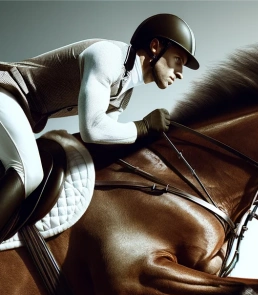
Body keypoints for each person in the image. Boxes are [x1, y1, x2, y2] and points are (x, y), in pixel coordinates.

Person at [0, 13, 199, 241]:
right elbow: (93, 128)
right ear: (155, 46)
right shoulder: (109, 56)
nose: (181, 73)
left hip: (18, 110)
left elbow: (103, 138)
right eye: (178, 61)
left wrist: (150, 139)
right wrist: (143, 126)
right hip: (5, 92)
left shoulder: (123, 95)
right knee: (30, 172)